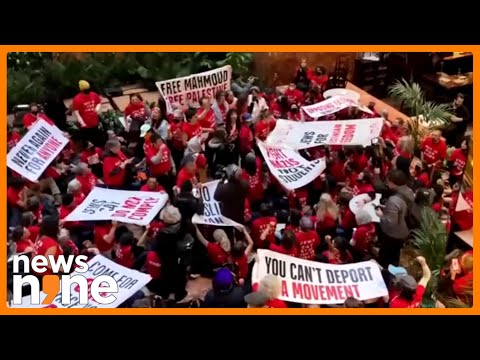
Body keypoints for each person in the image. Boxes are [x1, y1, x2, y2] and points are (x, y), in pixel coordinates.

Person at [376, 169, 415, 267]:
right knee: (396, 254)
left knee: (386, 258)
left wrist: (381, 215)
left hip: (394, 235)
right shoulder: (410, 191)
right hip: (405, 229)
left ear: (393, 182)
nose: (387, 184)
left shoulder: (393, 200)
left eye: (388, 182)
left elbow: (390, 223)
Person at [151, 205, 188, 302]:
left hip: (166, 262)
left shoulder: (161, 235)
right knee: (180, 278)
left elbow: (155, 248)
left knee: (166, 277)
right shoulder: (183, 230)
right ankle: (179, 295)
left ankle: (165, 295)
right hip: (179, 262)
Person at [72, 80, 103, 146]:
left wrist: (97, 109)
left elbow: (99, 102)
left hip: (95, 121)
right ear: (82, 90)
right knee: (88, 141)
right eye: (86, 89)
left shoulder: (93, 94)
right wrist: (82, 123)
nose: (88, 91)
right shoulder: (77, 99)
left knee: (97, 139)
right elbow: (77, 113)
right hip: (86, 125)